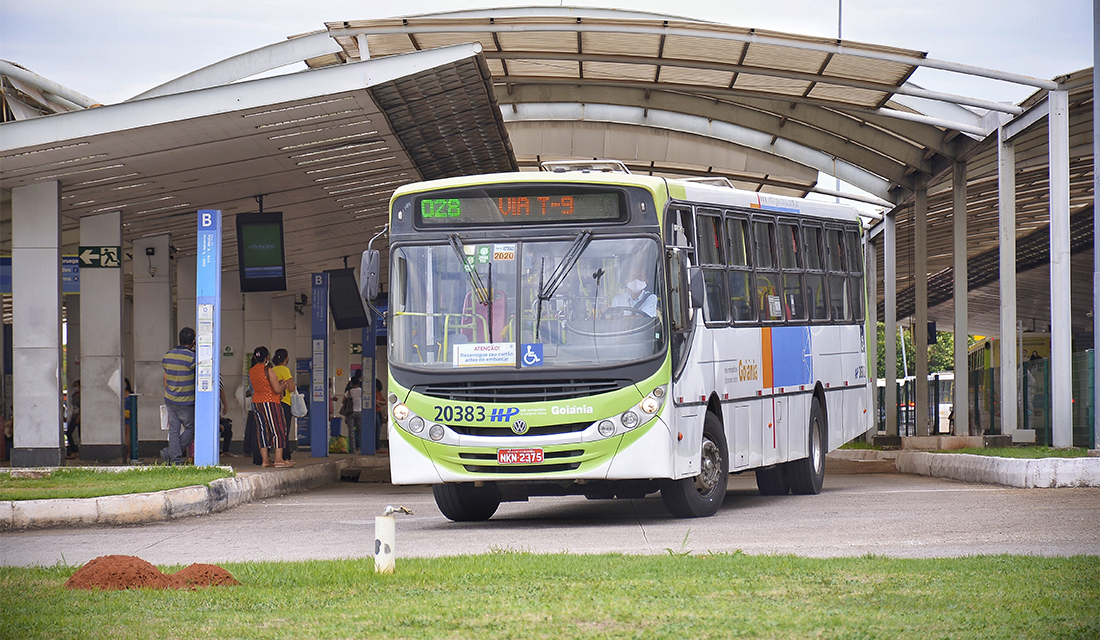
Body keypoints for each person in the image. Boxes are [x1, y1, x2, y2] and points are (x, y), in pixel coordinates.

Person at [248, 346, 295, 468]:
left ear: (255, 357)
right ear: (267, 357)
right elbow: (277, 389)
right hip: (270, 402)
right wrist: (282, 386)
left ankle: (265, 460)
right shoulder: (268, 370)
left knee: (262, 430)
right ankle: (279, 459)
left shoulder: (251, 371)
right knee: (278, 429)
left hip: (256, 402)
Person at [161, 328, 196, 465]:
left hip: (170, 398)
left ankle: (174, 459)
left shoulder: (168, 356)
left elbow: (165, 376)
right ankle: (170, 453)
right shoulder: (192, 358)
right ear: (193, 342)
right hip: (185, 400)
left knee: (174, 430)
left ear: (179, 340)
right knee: (192, 428)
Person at [271, 349, 295, 460]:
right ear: (286, 358)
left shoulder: (271, 370)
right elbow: (291, 388)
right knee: (285, 430)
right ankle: (285, 456)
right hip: (285, 402)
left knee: (277, 429)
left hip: (274, 402)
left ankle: (277, 454)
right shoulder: (285, 370)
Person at [343, 374, 363, 453]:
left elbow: (343, 401)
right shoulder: (362, 391)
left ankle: (353, 450)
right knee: (360, 431)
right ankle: (363, 448)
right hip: (360, 411)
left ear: (351, 383)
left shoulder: (349, 392)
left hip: (350, 412)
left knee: (351, 431)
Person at [65, 379, 81, 459]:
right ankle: (74, 451)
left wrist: (79, 417)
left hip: (79, 416)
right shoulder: (74, 395)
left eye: (76, 386)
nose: (74, 388)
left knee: (80, 434)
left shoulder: (82, 396)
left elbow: (82, 407)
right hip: (74, 416)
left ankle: (78, 451)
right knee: (68, 433)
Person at [374, 379, 386, 451]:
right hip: (375, 411)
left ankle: (377, 446)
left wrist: (378, 402)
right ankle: (377, 447)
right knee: (377, 430)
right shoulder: (373, 393)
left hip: (379, 412)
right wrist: (379, 403)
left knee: (378, 430)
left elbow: (385, 402)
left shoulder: (379, 393)